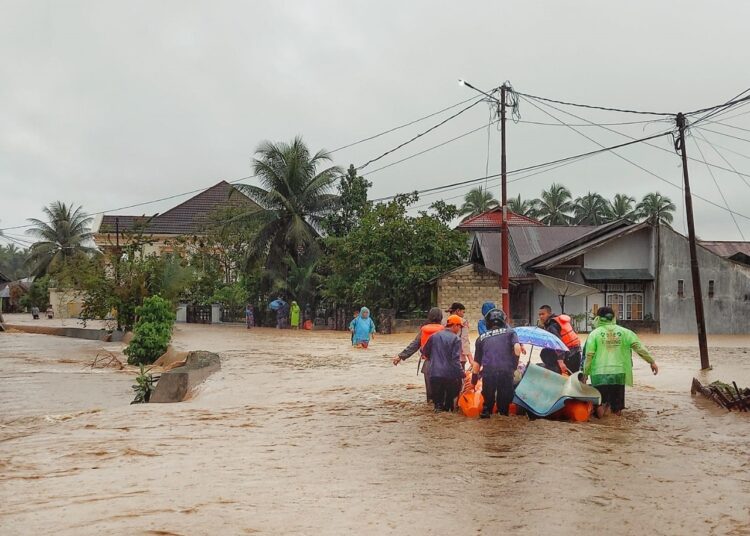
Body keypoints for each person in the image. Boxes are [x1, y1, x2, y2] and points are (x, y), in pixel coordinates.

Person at [583, 306, 659, 418]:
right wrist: (651, 361)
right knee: (617, 407)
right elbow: (639, 347)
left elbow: (589, 355)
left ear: (598, 318)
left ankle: (602, 429)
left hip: (599, 374)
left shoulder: (594, 334)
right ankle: (617, 430)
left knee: (600, 404)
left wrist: (585, 374)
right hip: (618, 373)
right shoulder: (625, 332)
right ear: (613, 317)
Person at [473, 308, 521, 418]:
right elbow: (517, 348)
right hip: (506, 371)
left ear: (487, 323)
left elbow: (476, 364)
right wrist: (514, 365)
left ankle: (486, 415)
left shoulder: (480, 338)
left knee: (488, 402)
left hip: (488, 372)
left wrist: (473, 380)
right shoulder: (510, 332)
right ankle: (502, 419)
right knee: (504, 407)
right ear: (503, 321)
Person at [393, 307, 445, 402]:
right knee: (442, 395)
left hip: (428, 365)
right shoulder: (444, 330)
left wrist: (400, 356)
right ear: (441, 317)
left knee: (430, 397)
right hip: (443, 365)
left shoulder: (424, 330)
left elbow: (414, 345)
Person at [421, 315, 464, 412]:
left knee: (437, 406)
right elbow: (455, 360)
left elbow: (425, 352)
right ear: (455, 326)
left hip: (434, 374)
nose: (459, 329)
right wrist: (462, 374)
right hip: (449, 376)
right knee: (448, 407)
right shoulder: (456, 339)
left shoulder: (434, 336)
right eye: (459, 327)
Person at [537, 305, 582, 375]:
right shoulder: (560, 321)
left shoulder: (552, 326)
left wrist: (560, 361)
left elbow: (558, 343)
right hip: (576, 353)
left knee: (545, 353)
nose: (541, 317)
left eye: (543, 314)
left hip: (569, 356)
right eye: (539, 315)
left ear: (549, 313)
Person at [446, 302, 473, 370]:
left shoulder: (444, 321)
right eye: (463, 312)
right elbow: (464, 340)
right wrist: (470, 359)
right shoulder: (463, 322)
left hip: (445, 358)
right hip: (459, 357)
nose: (463, 315)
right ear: (458, 311)